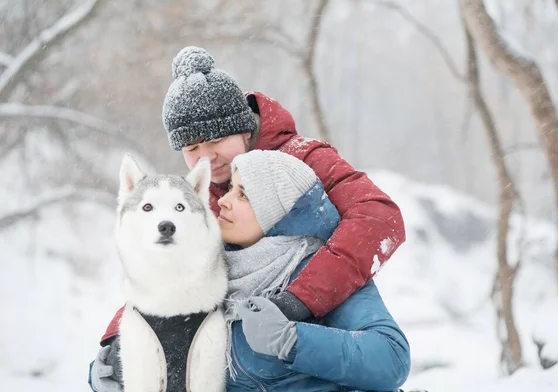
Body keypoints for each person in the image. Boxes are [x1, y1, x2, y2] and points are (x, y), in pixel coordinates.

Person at [90, 46, 406, 391]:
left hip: (321, 304)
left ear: (244, 129)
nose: (206, 156)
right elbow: (173, 264)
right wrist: (117, 339)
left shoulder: (303, 160)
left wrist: (297, 302)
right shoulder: (207, 190)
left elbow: (378, 219)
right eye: (191, 148)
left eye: (216, 139)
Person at [95, 150, 411, 392]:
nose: (225, 202)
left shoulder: (321, 272)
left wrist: (293, 341)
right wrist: (108, 363)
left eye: (243, 195)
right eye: (230, 189)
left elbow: (391, 359)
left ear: (277, 212)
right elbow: (148, 315)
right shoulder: (213, 270)